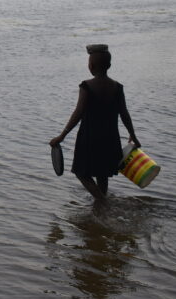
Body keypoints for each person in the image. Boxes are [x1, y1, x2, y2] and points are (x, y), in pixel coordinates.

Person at [50, 44, 140, 200]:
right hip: (110, 137)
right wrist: (133, 135)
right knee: (102, 173)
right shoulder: (117, 87)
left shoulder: (87, 86)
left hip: (89, 137)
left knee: (81, 173)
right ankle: (100, 207)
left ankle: (101, 202)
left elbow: (78, 113)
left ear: (90, 66)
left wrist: (62, 136)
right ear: (109, 66)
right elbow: (124, 113)